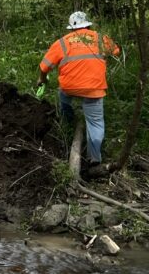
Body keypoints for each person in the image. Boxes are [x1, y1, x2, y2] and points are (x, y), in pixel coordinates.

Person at [36, 11, 121, 175]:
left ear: (71, 29)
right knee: (95, 123)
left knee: (64, 98)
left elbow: (44, 66)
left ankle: (68, 121)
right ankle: (94, 158)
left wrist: (42, 79)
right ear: (88, 25)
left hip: (69, 87)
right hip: (93, 89)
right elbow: (116, 51)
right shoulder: (100, 37)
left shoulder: (62, 42)